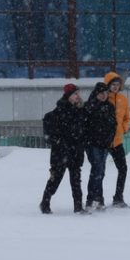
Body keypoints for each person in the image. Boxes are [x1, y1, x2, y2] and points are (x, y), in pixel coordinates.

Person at [40, 84, 89, 215]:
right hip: (61, 153)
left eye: (78, 94)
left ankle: (78, 206)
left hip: (75, 152)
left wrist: (81, 142)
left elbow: (83, 132)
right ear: (68, 96)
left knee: (76, 180)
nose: (78, 96)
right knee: (55, 179)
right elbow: (49, 134)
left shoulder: (80, 112)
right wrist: (59, 142)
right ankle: (45, 202)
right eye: (75, 94)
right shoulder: (56, 113)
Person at [83, 81, 116, 210]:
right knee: (97, 169)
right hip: (92, 144)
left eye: (106, 93)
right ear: (96, 93)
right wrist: (88, 140)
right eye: (101, 93)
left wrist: (109, 139)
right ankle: (91, 199)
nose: (104, 95)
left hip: (105, 144)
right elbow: (84, 126)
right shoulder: (88, 106)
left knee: (100, 171)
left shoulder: (109, 107)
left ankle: (98, 198)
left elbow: (113, 125)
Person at [103, 71, 130, 208]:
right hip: (102, 141)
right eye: (113, 84)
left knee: (123, 169)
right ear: (107, 85)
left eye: (118, 84)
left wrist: (125, 128)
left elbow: (127, 118)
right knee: (99, 171)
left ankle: (118, 197)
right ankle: (97, 198)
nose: (115, 87)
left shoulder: (123, 99)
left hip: (117, 141)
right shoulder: (102, 97)